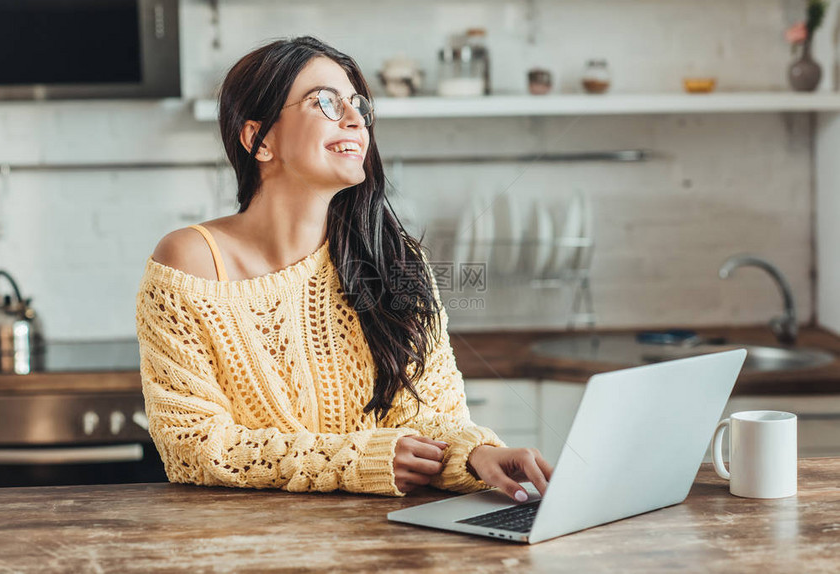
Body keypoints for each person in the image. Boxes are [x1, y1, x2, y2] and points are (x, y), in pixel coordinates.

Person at [135, 36, 553, 502]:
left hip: (386, 544)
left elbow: (433, 419)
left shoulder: (396, 260)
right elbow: (190, 445)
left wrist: (475, 454)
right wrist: (356, 461)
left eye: (358, 105)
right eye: (326, 102)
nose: (354, 119)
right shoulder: (190, 262)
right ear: (258, 139)